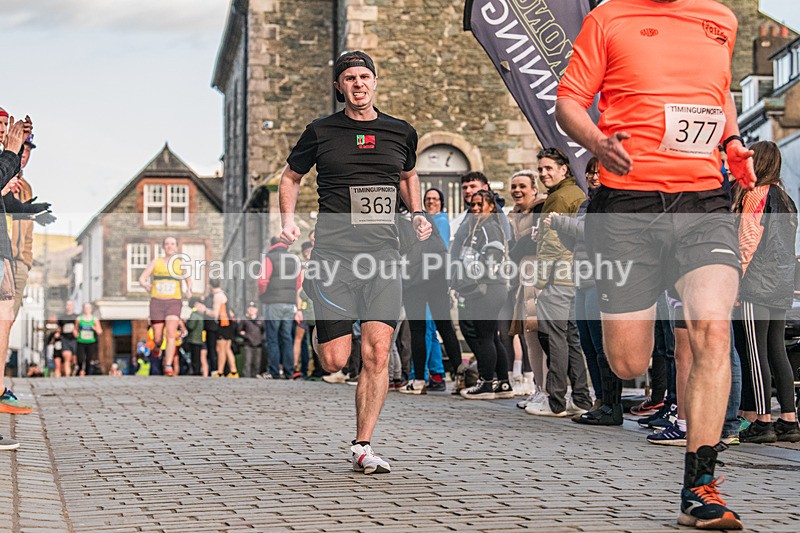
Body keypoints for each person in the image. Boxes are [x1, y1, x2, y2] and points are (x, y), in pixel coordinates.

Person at [556, 0, 756, 528]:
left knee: (713, 329)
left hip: (704, 202)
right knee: (628, 363)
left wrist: (733, 143)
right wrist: (597, 142)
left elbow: (718, 93)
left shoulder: (721, 19)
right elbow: (568, 102)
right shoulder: (608, 17)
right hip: (627, 207)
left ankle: (701, 486)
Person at [277, 50, 431, 474]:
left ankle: (363, 444)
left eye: (365, 76)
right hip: (332, 259)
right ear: (339, 87)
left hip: (383, 258)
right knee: (334, 361)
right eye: (350, 78)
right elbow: (291, 176)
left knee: (378, 352)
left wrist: (416, 213)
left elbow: (408, 174)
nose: (358, 84)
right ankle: (323, 324)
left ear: (375, 82)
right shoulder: (321, 131)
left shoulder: (400, 132)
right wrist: (287, 221)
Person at [733, 141, 800, 444]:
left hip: (756, 284)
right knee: (777, 350)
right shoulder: (786, 199)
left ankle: (763, 420)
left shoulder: (756, 196)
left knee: (756, 352)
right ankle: (789, 418)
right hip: (782, 283)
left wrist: (735, 282)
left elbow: (747, 243)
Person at [525, 148, 591, 418]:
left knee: (555, 339)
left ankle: (555, 401)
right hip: (574, 276)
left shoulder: (558, 198)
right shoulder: (575, 193)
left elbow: (551, 245)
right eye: (540, 169)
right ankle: (581, 398)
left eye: (548, 168)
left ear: (564, 169)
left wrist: (539, 282)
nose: (543, 174)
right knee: (572, 340)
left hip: (556, 278)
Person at [451, 190, 513, 400]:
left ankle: (485, 383)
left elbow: (493, 258)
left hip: (488, 288)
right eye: (473, 205)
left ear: (491, 206)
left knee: (484, 337)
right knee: (492, 337)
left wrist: (475, 281)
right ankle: (503, 383)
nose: (475, 209)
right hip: (487, 288)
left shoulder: (490, 227)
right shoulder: (476, 227)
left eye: (480, 205)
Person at [0, 110, 36, 429]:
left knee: (7, 317)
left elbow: (25, 222)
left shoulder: (23, 184)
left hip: (14, 258)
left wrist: (24, 259)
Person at [138, 237, 191, 376]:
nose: (169, 246)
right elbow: (142, 278)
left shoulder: (180, 263)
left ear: (176, 247)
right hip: (157, 302)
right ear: (163, 247)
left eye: (172, 243)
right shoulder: (156, 262)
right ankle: (157, 347)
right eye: (167, 244)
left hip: (174, 302)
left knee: (171, 334)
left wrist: (189, 289)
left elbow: (188, 279)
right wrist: (145, 285)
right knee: (158, 337)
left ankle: (168, 365)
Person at [258, 236, 301, 379]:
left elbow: (263, 281)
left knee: (272, 337)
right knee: (287, 337)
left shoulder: (269, 258)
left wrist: (262, 294)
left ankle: (274, 371)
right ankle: (289, 372)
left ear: (272, 244)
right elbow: (298, 284)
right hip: (290, 304)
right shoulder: (294, 260)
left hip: (273, 302)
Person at [207, 278, 238, 378]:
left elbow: (215, 314)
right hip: (229, 323)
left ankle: (220, 371)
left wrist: (203, 310)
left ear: (210, 285)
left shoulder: (217, 296)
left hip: (223, 324)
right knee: (227, 348)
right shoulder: (223, 293)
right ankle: (233, 371)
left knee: (221, 349)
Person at [75, 302, 102, 376]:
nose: (87, 309)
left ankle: (87, 373)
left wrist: (95, 328)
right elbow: (75, 329)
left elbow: (100, 331)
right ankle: (80, 369)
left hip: (91, 341)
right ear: (83, 309)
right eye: (85, 308)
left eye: (88, 308)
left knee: (88, 359)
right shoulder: (79, 319)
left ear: (91, 309)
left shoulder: (95, 319)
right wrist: (76, 334)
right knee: (80, 358)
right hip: (81, 341)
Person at [239, 301, 265, 378]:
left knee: (257, 362)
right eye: (250, 308)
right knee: (248, 362)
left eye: (253, 308)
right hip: (248, 343)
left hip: (258, 344)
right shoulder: (244, 320)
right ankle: (247, 377)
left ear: (256, 310)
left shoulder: (261, 320)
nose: (251, 310)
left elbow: (264, 331)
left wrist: (262, 339)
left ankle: (255, 376)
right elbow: (239, 330)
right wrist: (245, 335)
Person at [185, 297, 208, 376]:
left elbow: (191, 326)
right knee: (198, 358)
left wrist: (186, 323)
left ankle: (195, 372)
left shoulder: (194, 314)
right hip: (200, 339)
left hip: (193, 339)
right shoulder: (200, 315)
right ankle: (197, 371)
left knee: (194, 358)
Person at [57, 300, 78, 377]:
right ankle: (67, 375)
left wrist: (77, 332)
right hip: (65, 339)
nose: (68, 307)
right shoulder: (62, 317)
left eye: (70, 305)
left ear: (73, 306)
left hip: (75, 339)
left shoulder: (77, 317)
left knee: (75, 359)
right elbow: (59, 327)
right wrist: (58, 333)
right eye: (67, 305)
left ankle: (75, 370)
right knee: (66, 357)